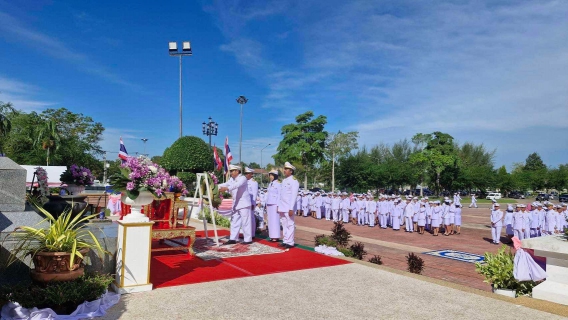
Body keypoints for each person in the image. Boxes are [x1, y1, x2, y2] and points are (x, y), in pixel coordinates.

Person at [218, 165, 252, 244]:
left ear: (237, 171)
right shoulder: (231, 179)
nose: (231, 172)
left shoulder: (242, 178)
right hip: (236, 203)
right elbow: (225, 184)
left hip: (244, 204)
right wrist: (215, 186)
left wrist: (226, 189)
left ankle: (248, 239)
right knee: (234, 221)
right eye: (230, 171)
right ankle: (233, 238)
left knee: (245, 222)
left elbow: (236, 185)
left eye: (232, 171)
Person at [277, 162, 300, 249]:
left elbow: (293, 196)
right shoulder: (284, 180)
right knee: (284, 224)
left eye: (286, 169)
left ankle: (290, 242)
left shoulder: (294, 181)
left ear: (291, 171)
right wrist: (279, 206)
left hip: (289, 207)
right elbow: (281, 195)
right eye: (284, 169)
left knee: (290, 224)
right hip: (283, 206)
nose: (284, 170)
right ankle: (285, 240)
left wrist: (291, 208)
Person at [265, 169, 281, 242]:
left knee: (275, 220)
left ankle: (276, 236)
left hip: (275, 204)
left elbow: (279, 195)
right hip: (269, 203)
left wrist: (278, 205)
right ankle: (271, 236)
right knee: (270, 220)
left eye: (272, 175)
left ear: (275, 176)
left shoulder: (278, 184)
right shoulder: (270, 184)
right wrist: (266, 203)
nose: (270, 177)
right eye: (270, 175)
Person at [244, 167, 259, 238]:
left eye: (247, 173)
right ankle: (246, 234)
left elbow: (255, 194)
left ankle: (252, 234)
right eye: (245, 173)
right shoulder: (245, 181)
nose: (246, 175)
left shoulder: (254, 182)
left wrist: (253, 203)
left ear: (251, 174)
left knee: (251, 218)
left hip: (250, 203)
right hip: (245, 202)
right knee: (246, 219)